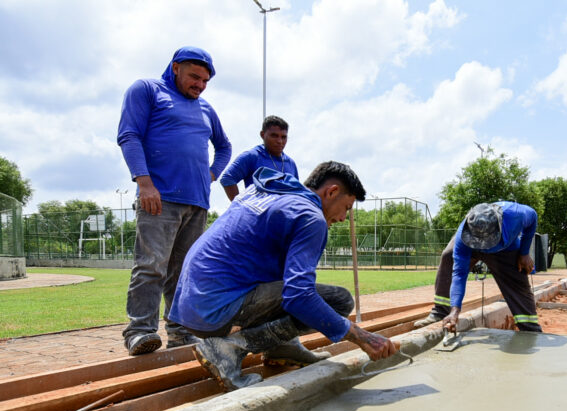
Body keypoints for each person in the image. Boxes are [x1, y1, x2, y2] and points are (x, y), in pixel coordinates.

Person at [169, 162, 400, 391]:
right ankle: (229, 350)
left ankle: (282, 347)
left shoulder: (267, 191)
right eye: (347, 208)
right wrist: (361, 337)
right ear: (332, 192)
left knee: (290, 282)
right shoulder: (311, 217)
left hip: (190, 304)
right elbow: (299, 297)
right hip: (214, 310)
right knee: (338, 301)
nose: (342, 218)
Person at [117, 46, 232, 356]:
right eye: (195, 77)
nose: (200, 85)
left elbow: (224, 147)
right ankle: (140, 332)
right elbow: (129, 135)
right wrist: (144, 182)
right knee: (152, 266)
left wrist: (211, 174)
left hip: (197, 202)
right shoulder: (147, 90)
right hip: (159, 197)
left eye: (206, 80)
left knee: (184, 272)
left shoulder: (206, 109)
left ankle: (180, 332)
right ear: (176, 67)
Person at [414, 201, 543, 332]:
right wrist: (455, 310)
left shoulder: (516, 214)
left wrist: (524, 252)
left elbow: (533, 217)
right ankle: (442, 312)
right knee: (448, 256)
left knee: (517, 279)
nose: (483, 246)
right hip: (470, 246)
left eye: (487, 241)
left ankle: (529, 328)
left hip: (505, 249)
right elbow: (459, 274)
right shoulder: (462, 239)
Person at [220, 115, 298, 201]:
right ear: (262, 135)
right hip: (260, 213)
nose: (280, 141)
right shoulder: (252, 156)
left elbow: (297, 193)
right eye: (274, 136)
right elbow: (227, 179)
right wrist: (242, 206)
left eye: (283, 137)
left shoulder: (290, 163)